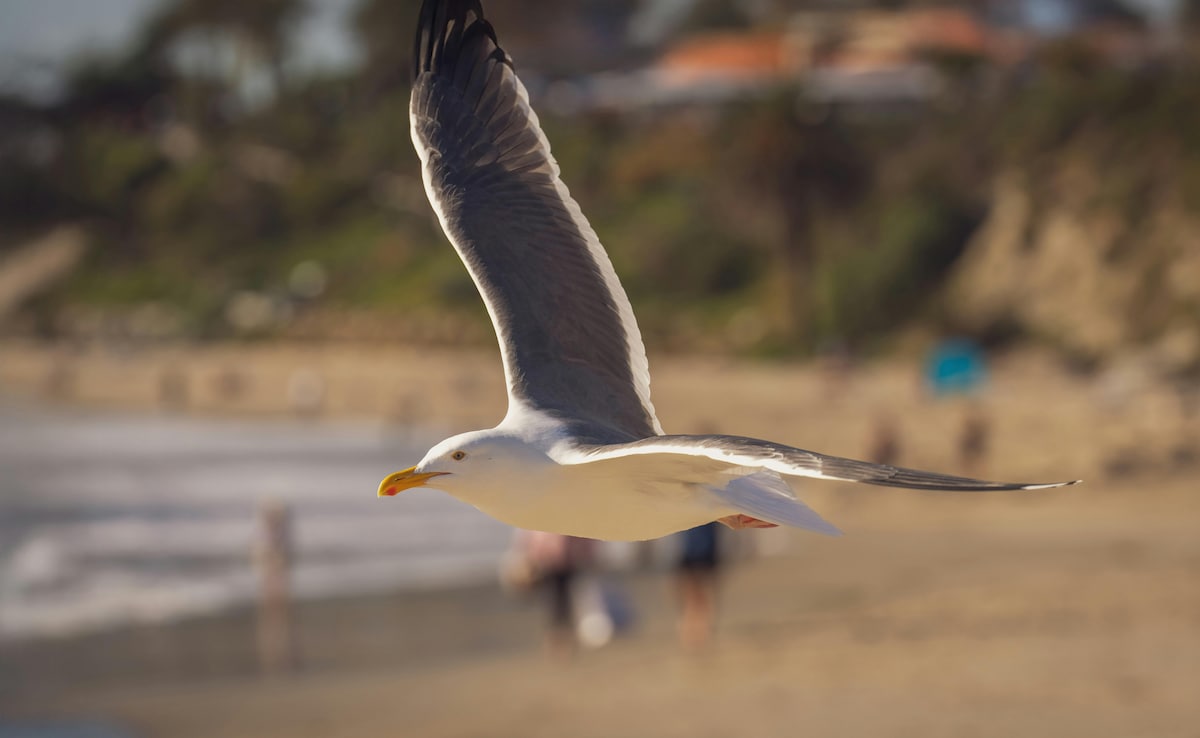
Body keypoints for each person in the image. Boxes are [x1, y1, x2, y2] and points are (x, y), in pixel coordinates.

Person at [510, 530, 595, 659]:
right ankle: (560, 641)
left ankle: (561, 642)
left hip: (563, 560)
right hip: (549, 560)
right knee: (558, 603)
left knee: (560, 603)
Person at [675, 522, 722, 650]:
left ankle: (697, 629)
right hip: (698, 543)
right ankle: (696, 629)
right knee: (697, 587)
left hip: (698, 543)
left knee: (698, 587)